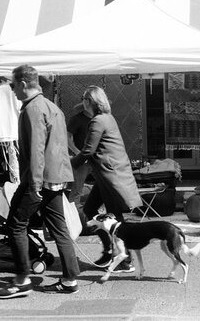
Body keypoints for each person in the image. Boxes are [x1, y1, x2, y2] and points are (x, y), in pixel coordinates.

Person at [0, 65, 80, 299]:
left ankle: (22, 280)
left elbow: (36, 151)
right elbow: (60, 148)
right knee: (60, 229)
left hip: (39, 179)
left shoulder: (33, 108)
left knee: (16, 225)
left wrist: (33, 186)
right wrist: (65, 180)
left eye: (13, 85)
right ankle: (69, 279)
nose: (12, 90)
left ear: (24, 84)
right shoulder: (53, 107)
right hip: (54, 178)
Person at [71, 85, 142, 269]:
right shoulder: (107, 118)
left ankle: (124, 258)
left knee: (114, 218)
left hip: (110, 176)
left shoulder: (97, 121)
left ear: (89, 101)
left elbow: (88, 151)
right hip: (108, 175)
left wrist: (69, 164)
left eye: (84, 99)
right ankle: (111, 252)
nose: (83, 102)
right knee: (92, 210)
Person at [67, 103, 92, 206]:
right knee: (77, 191)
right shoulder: (77, 119)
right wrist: (78, 153)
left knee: (105, 189)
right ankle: (73, 218)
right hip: (82, 162)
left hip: (97, 159)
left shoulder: (100, 118)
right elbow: (67, 138)